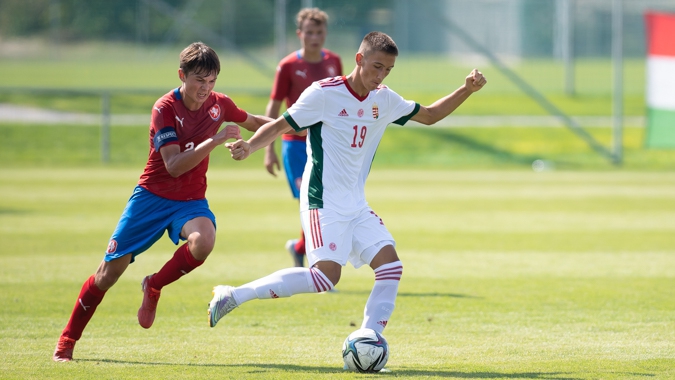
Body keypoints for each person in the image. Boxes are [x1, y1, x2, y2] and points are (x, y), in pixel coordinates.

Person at [208, 32, 486, 343]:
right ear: (359, 59)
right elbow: (281, 124)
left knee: (391, 267)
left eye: (388, 70)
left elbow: (431, 115)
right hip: (321, 201)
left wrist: (466, 90)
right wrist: (251, 146)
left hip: (356, 204)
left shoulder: (384, 99)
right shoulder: (324, 94)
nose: (380, 76)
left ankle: (369, 338)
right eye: (376, 67)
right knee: (325, 277)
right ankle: (232, 295)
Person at [52, 42, 272, 362]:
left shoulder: (219, 104)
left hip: (190, 201)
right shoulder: (164, 107)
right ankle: (67, 341)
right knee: (107, 274)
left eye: (211, 81)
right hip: (151, 199)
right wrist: (216, 140)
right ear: (182, 75)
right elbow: (173, 165)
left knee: (204, 241)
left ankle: (154, 285)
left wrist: (298, 126)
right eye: (199, 80)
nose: (205, 88)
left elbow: (253, 121)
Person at [263, 8, 342, 267]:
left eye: (319, 32)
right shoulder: (288, 66)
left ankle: (300, 248)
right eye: (309, 32)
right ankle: (317, 266)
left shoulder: (334, 61)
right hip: (295, 146)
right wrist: (268, 149)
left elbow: (342, 102)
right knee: (312, 206)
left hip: (325, 146)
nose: (314, 37)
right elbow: (273, 109)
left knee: (324, 205)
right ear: (300, 34)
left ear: (325, 33)